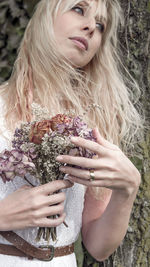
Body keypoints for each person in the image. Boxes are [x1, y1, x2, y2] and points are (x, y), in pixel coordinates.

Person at [0, 0, 143, 266]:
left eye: (100, 26)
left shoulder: (94, 125)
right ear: (45, 17)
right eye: (78, 9)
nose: (91, 27)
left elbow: (99, 248)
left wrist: (127, 190)